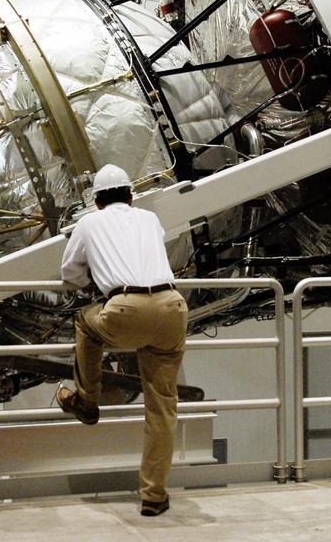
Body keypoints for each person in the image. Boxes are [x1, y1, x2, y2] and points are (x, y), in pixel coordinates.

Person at [57, 163, 187, 517]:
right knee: (162, 407)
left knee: (86, 324)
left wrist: (94, 281)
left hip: (126, 309)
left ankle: (87, 400)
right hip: (173, 307)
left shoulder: (88, 223)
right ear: (131, 197)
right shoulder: (148, 219)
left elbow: (68, 271)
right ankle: (153, 495)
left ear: (96, 201)